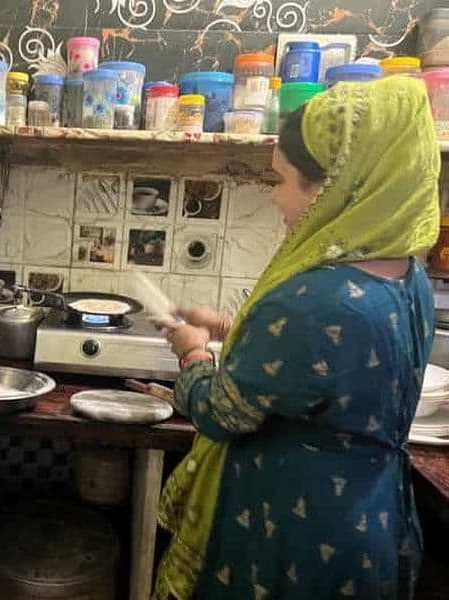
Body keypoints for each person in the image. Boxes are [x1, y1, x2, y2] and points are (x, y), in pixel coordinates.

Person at [153, 76, 440, 600]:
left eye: (283, 181)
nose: (273, 197)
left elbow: (222, 413)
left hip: (289, 536)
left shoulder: (311, 299)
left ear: (334, 189)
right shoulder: (407, 277)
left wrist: (192, 351)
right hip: (374, 521)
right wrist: (224, 326)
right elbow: (321, 368)